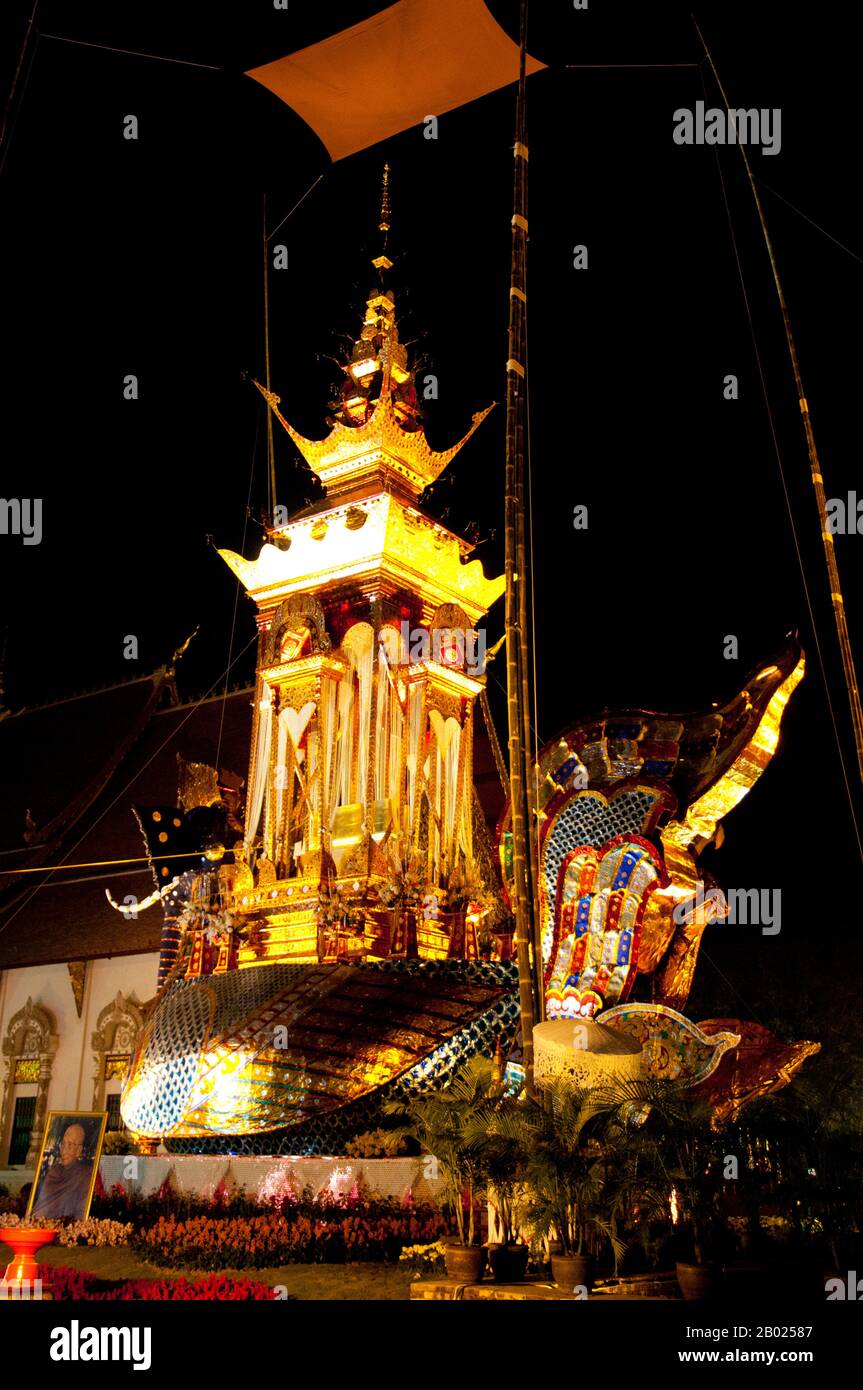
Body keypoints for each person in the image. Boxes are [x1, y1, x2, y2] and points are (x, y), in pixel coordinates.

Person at [31, 1122, 93, 1219]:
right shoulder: (54, 1172)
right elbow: (40, 1206)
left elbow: (81, 1212)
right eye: (63, 1144)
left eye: (70, 1145)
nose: (64, 1150)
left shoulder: (85, 1175)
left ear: (79, 1150)